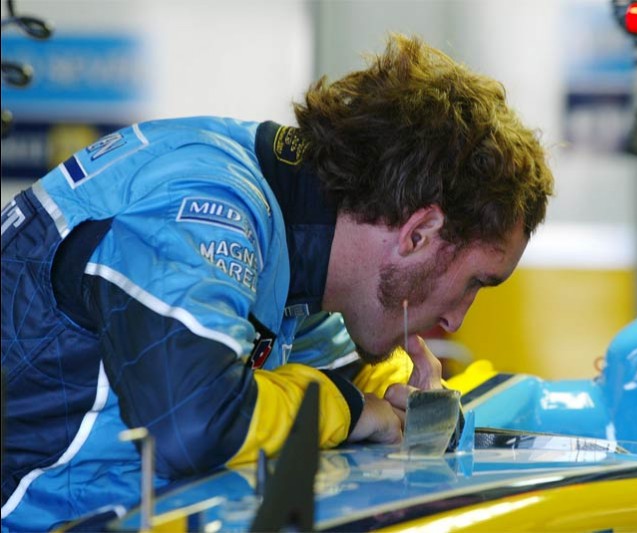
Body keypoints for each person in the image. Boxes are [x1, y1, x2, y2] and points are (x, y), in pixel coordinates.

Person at [0, 33, 554, 530]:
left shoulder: (302, 237)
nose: (457, 319)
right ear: (419, 233)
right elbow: (195, 422)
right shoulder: (210, 200)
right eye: (475, 282)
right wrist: (357, 411)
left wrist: (401, 397)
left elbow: (339, 377)